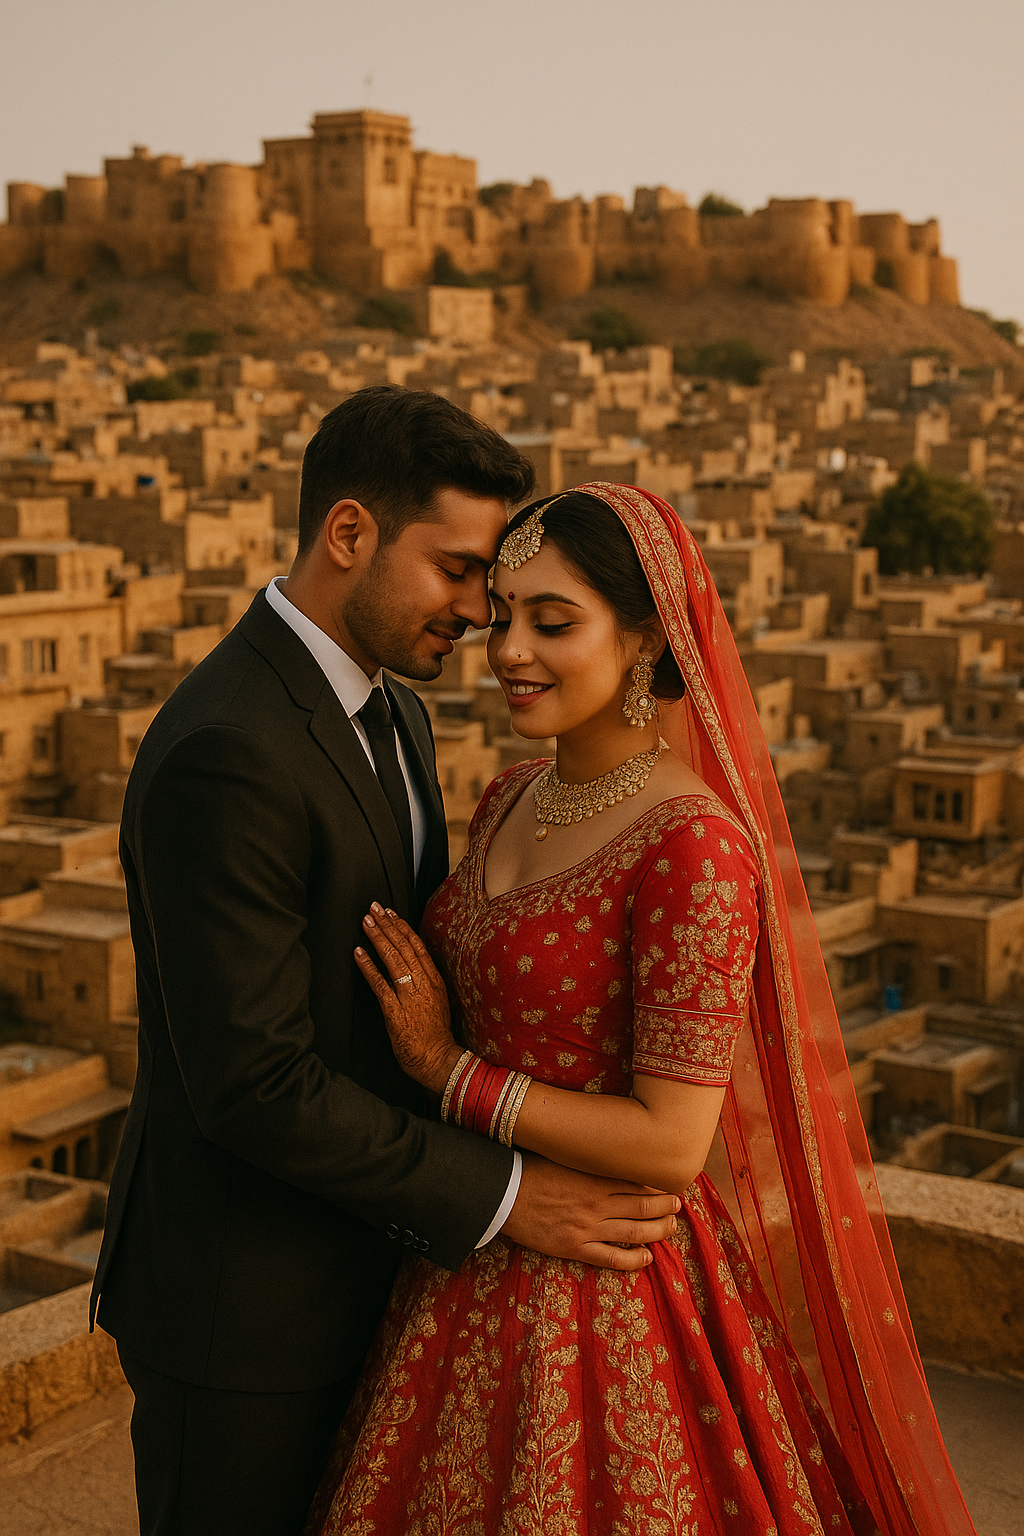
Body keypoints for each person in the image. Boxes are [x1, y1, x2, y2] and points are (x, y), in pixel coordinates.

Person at [308, 483, 978, 1536]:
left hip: (609, 1286)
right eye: (505, 616)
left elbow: (673, 1143)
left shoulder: (693, 846)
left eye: (554, 623)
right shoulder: (509, 795)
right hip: (468, 1250)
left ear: (643, 641)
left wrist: (449, 1074)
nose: (510, 650)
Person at [90, 397, 681, 1536]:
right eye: (458, 572)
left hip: (378, 1274)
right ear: (349, 534)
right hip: (245, 1313)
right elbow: (252, 1084)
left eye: (500, 590)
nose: (480, 615)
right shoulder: (231, 748)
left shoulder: (392, 715)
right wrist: (509, 1195)